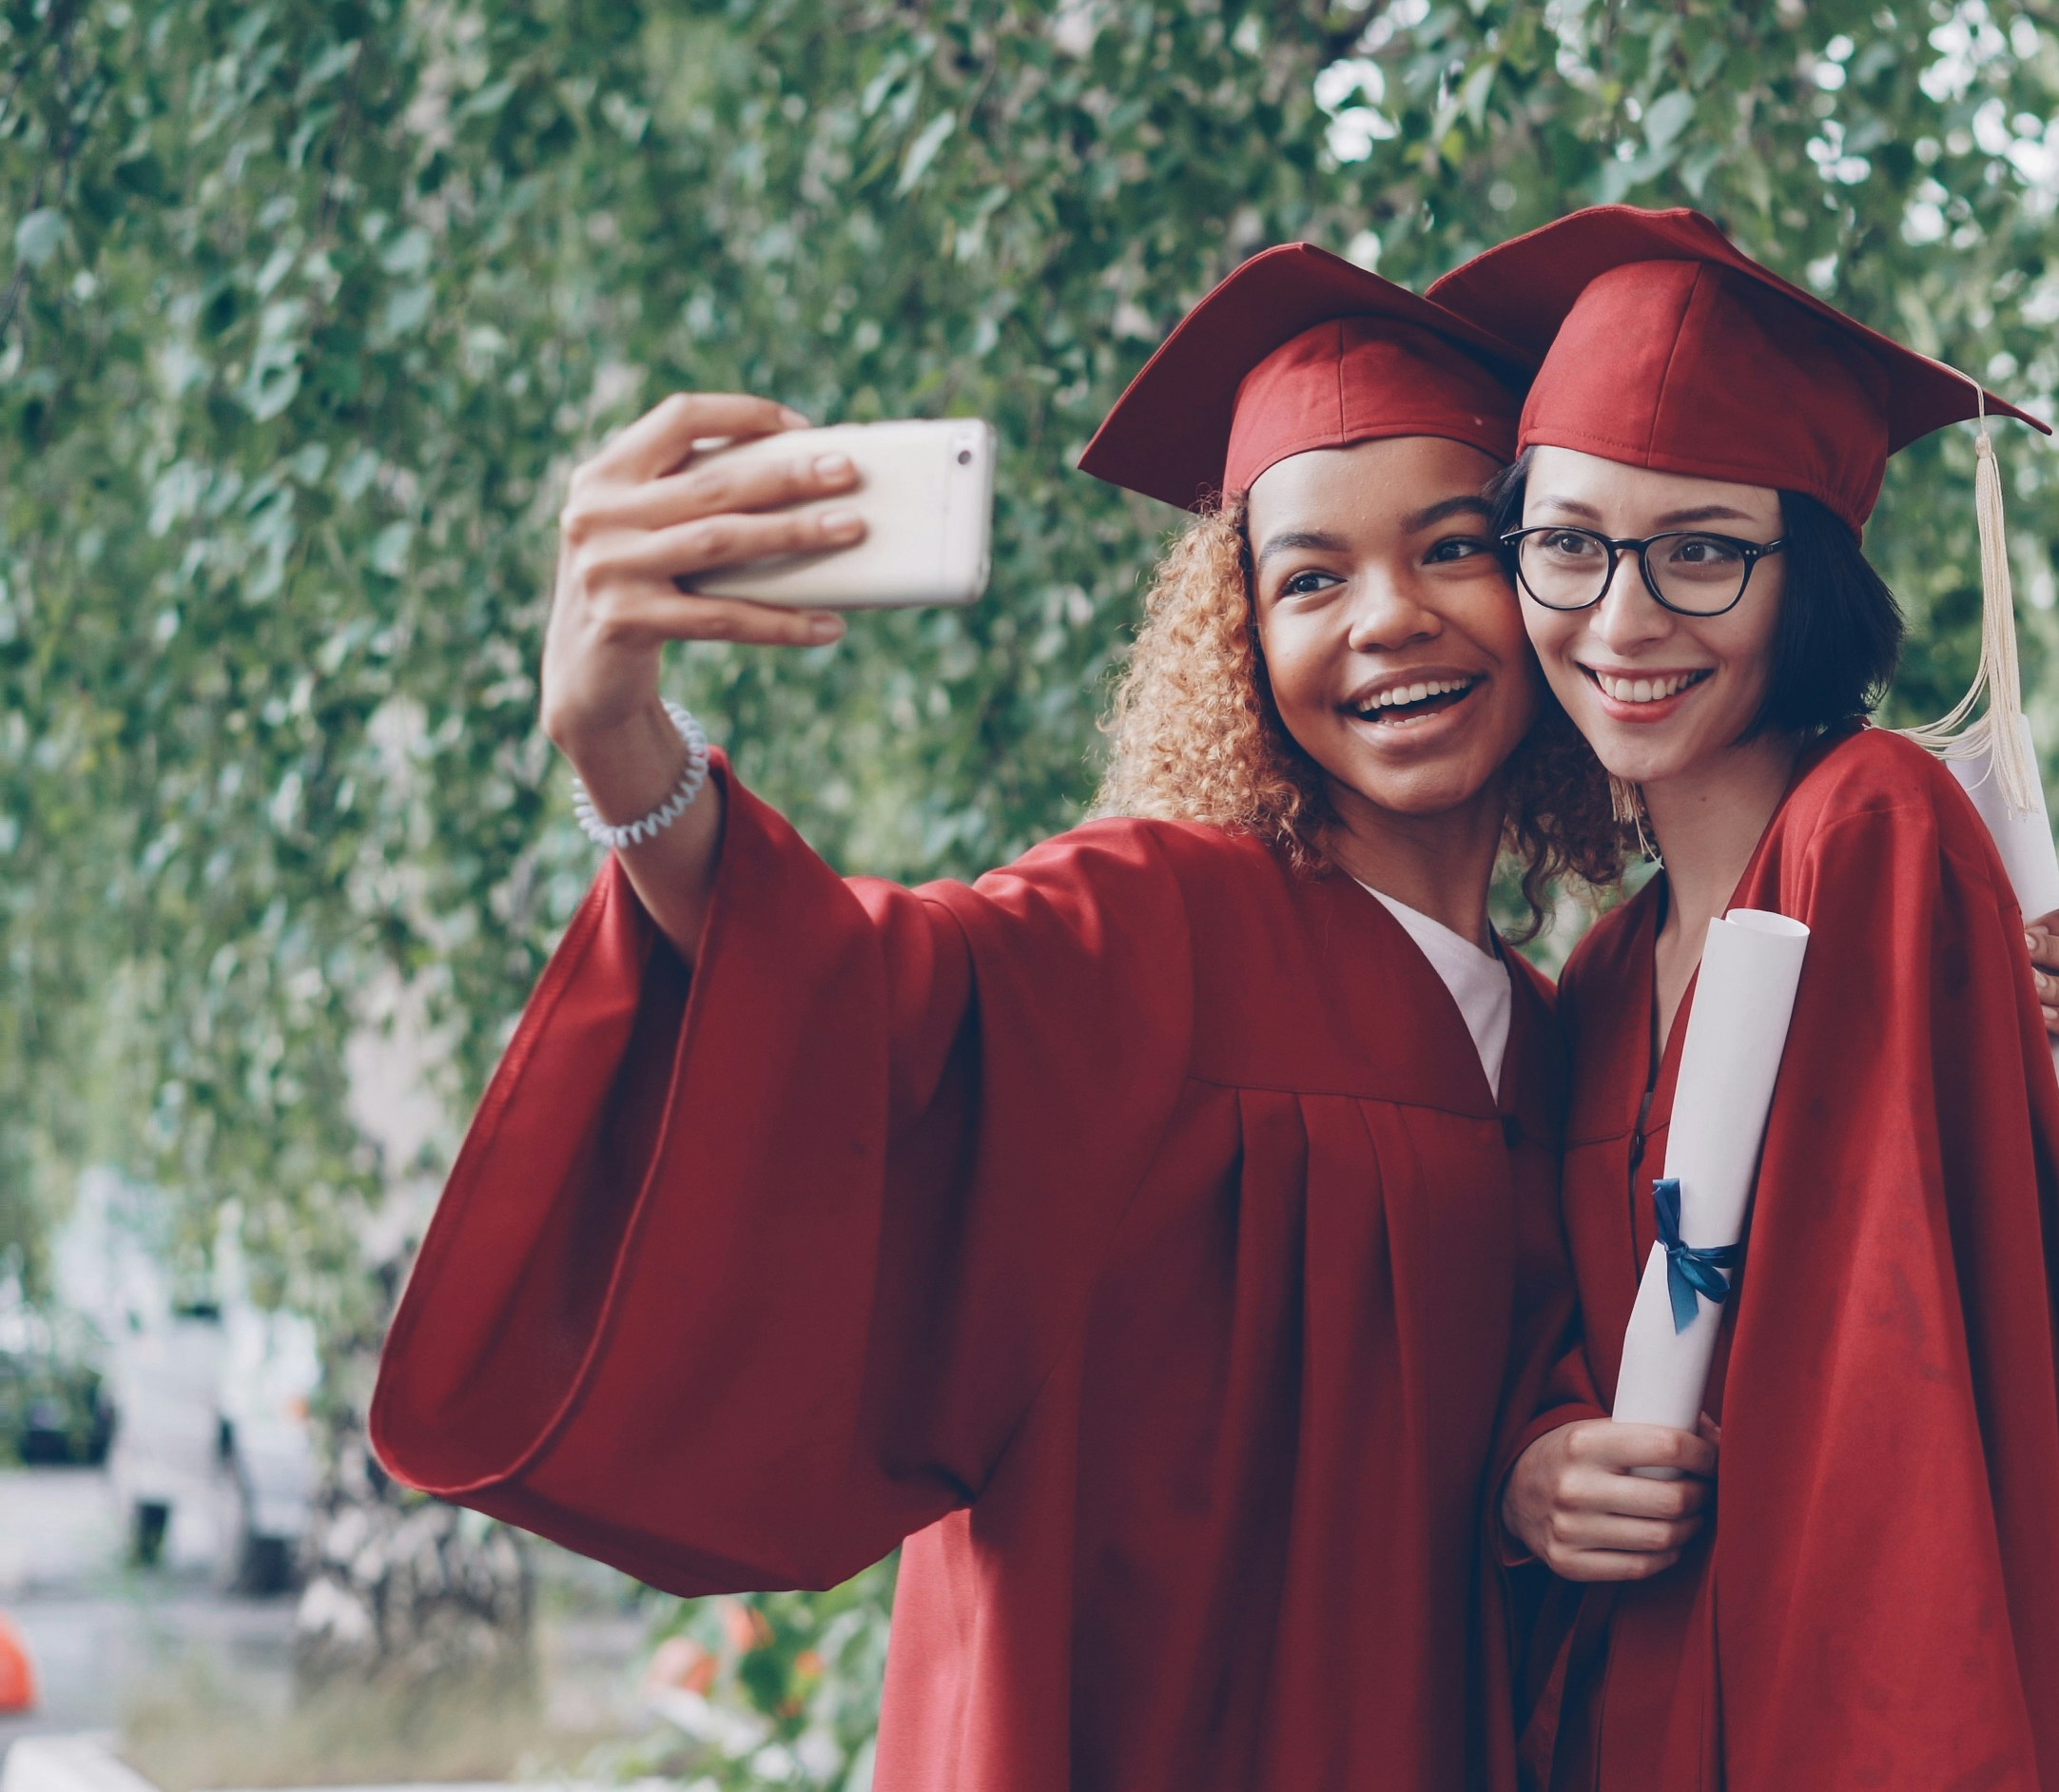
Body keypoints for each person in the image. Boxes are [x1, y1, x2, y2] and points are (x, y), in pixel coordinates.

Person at [371, 245, 1624, 1789]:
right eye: (1309, 575)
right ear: (1237, 640)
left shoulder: (1557, 1030)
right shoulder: (1156, 924)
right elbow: (857, 995)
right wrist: (623, 744)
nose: (1388, 618)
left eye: (1454, 546)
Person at [1426, 205, 2059, 1792]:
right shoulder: (1604, 968)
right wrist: (1538, 1467)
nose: (1623, 618)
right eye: (1568, 541)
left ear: (1806, 578)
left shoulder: (1873, 827)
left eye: (1704, 548)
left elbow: (1889, 1440)